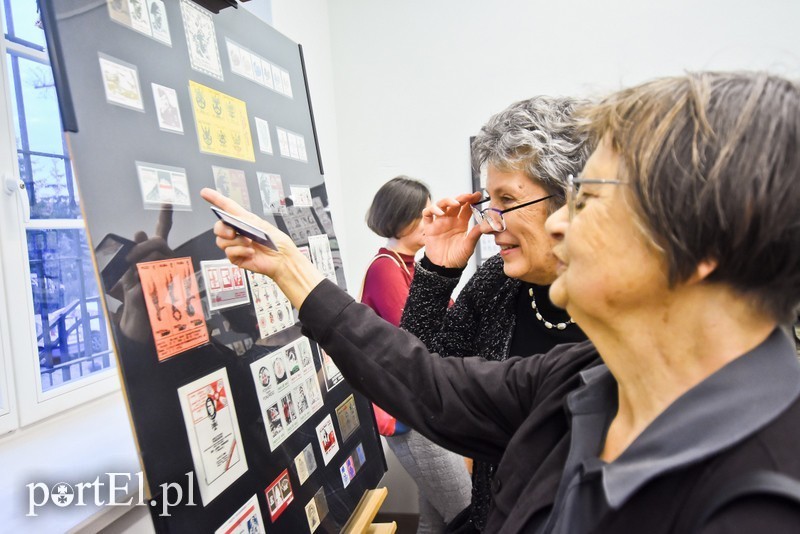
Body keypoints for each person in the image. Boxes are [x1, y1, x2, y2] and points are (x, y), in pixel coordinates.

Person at [202, 71, 800, 532]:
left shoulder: (762, 498)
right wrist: (290, 268)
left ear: (703, 242)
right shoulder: (591, 378)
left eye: (588, 200)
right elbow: (428, 379)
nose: (562, 225)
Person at [398, 96, 591, 531]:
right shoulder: (497, 283)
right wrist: (437, 271)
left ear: (571, 200)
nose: (491, 222)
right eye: (491, 202)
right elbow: (420, 376)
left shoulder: (619, 303)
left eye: (508, 200)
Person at [361, 176, 471, 533]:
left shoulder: (410, 265)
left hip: (425, 407)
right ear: (401, 217)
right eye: (424, 215)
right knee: (466, 510)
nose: (432, 221)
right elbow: (419, 338)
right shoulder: (385, 269)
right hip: (409, 413)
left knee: (435, 519)